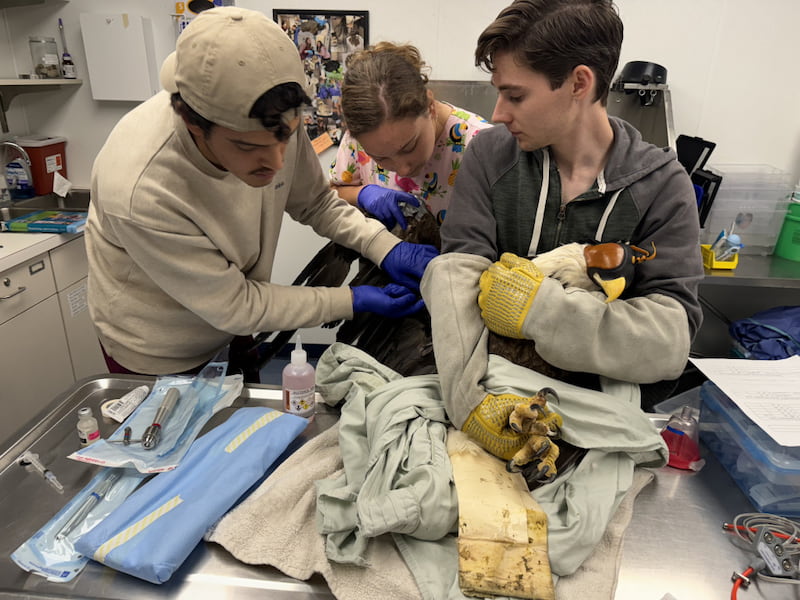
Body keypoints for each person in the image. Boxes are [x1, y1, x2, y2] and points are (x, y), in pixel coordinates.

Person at [423, 0, 704, 466]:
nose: (497, 114)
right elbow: (456, 282)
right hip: (487, 398)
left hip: (600, 418)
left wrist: (543, 312)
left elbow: (669, 343)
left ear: (579, 83)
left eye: (515, 96)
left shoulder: (663, 185)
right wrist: (468, 403)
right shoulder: (490, 157)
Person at [85, 7, 437, 378]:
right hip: (159, 348)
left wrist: (384, 246)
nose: (275, 163)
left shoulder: (271, 118)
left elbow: (316, 202)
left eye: (285, 137)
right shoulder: (140, 186)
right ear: (193, 122)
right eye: (247, 148)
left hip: (233, 323)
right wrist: (351, 299)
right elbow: (236, 303)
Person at [329, 42, 492, 229]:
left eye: (409, 148)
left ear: (430, 106)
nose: (403, 170)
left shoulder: (480, 145)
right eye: (380, 158)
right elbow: (332, 194)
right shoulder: (357, 138)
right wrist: (361, 194)